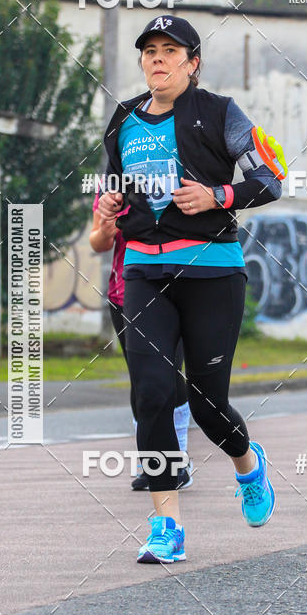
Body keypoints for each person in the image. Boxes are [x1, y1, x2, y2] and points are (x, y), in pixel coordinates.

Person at [97, 14, 287, 563]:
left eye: (170, 50)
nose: (157, 59)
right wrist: (112, 204)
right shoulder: (122, 119)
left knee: (208, 404)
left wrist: (218, 196)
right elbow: (116, 186)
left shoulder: (221, 114)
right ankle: (166, 524)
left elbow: (272, 178)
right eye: (149, 50)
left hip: (212, 271)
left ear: (193, 62)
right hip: (144, 272)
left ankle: (248, 465)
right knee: (152, 393)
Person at [89, 196, 193, 490]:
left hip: (171, 289)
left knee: (171, 374)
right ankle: (151, 462)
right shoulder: (112, 186)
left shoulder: (172, 166)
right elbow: (97, 241)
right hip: (124, 294)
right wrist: (105, 232)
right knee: (142, 379)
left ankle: (179, 459)